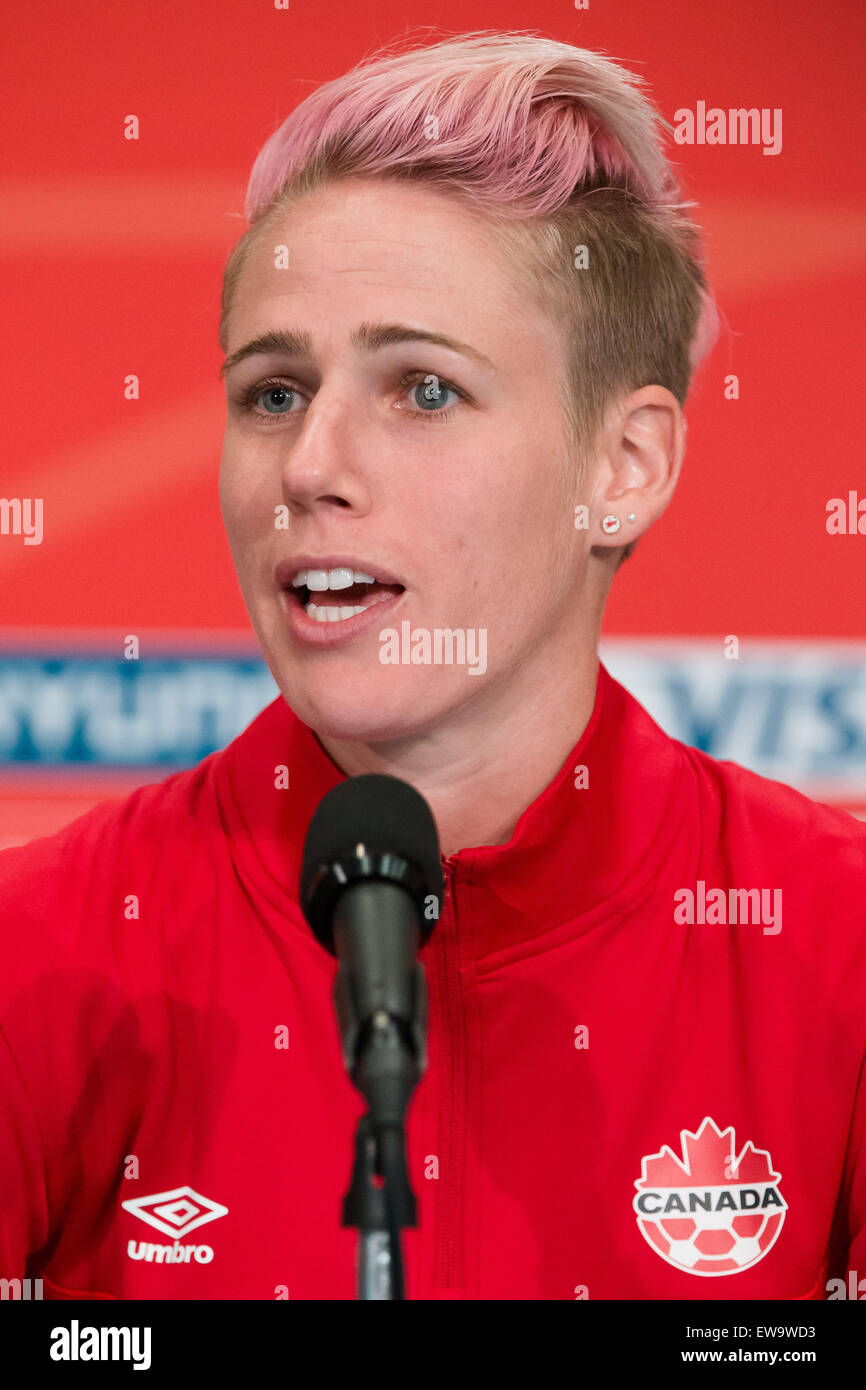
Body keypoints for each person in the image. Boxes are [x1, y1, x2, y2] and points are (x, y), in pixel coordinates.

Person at [1, 29, 863, 1302]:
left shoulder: (831, 944)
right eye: (275, 392)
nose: (309, 467)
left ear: (621, 467)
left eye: (423, 390)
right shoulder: (41, 954)